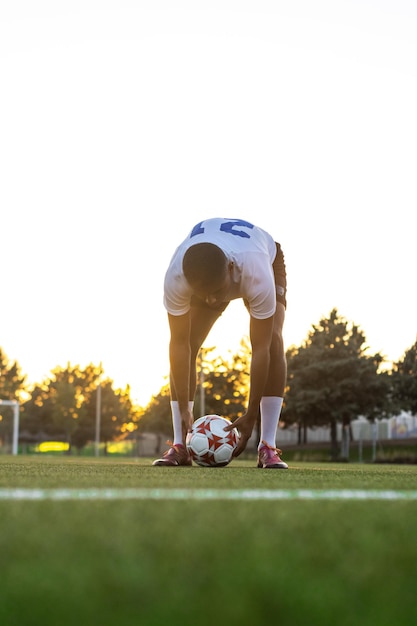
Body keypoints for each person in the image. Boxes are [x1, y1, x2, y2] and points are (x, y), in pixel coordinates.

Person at [152, 217, 288, 469]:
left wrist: (250, 415)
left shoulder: (256, 272)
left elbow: (260, 350)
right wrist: (183, 407)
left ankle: (267, 446)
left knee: (272, 342)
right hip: (212, 269)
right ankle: (180, 445)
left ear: (230, 269)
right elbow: (179, 345)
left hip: (263, 254)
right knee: (190, 342)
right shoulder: (177, 276)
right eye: (205, 295)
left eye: (216, 292)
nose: (213, 301)